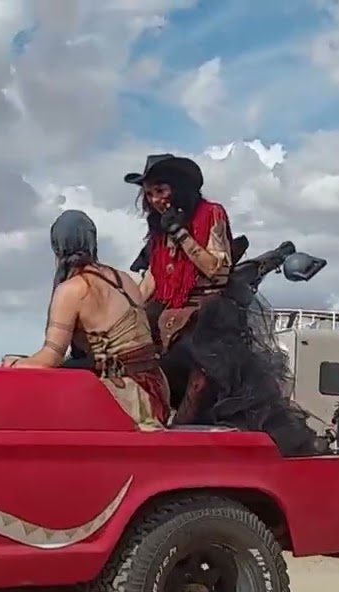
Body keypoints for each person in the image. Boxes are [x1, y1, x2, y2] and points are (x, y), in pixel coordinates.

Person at [125, 153, 317, 455]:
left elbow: (217, 268)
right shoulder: (159, 231)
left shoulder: (210, 213)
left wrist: (182, 234)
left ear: (178, 187)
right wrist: (124, 308)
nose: (155, 200)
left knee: (205, 362)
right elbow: (153, 279)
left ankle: (180, 438)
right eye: (149, 194)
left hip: (209, 311)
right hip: (170, 309)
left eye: (160, 191)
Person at [2, 210, 170, 430]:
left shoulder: (72, 290)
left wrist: (14, 364)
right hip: (157, 392)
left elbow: (50, 358)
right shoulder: (125, 279)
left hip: (129, 399)